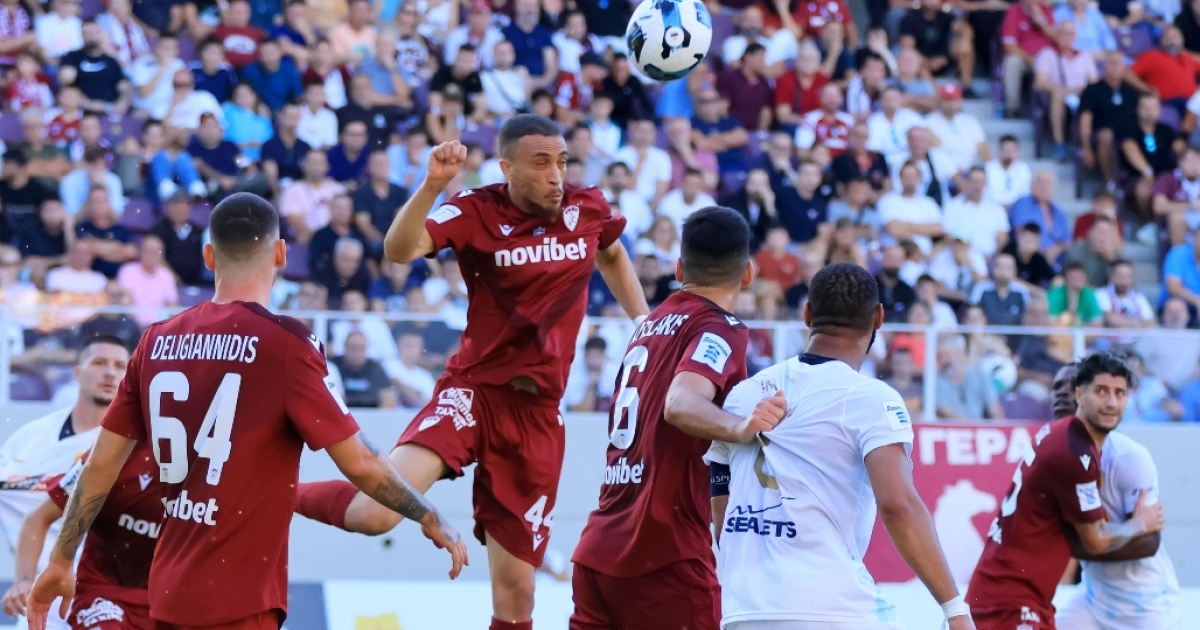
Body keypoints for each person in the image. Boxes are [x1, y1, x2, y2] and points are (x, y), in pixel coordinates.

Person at [26, 193, 468, 630]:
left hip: (167, 594)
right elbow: (362, 463)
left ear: (208, 257)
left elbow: (100, 466)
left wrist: (62, 558)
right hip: (237, 597)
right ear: (280, 254)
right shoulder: (286, 344)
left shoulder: (156, 340)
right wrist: (427, 514)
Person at [299, 115, 649, 630]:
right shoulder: (475, 210)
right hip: (474, 393)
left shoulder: (588, 207)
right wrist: (431, 186)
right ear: (507, 169)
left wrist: (643, 324)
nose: (556, 175)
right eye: (541, 163)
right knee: (377, 514)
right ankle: (275, 490)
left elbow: (612, 253)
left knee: (517, 597)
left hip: (537, 418)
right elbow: (398, 251)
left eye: (561, 161)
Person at [707, 263, 975, 630]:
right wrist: (955, 609)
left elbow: (721, 506)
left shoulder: (744, 394)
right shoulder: (870, 398)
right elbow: (898, 504)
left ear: (807, 314)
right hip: (831, 609)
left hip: (743, 609)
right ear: (878, 318)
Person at [571, 206, 786, 630]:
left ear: (680, 268)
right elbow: (681, 403)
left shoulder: (647, 326)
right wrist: (741, 428)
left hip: (599, 550)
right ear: (748, 274)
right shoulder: (721, 327)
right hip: (664, 554)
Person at [967, 351, 1167, 630]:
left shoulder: (1060, 435)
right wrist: (1140, 523)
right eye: (1101, 391)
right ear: (1080, 394)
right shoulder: (1075, 453)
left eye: (1119, 393)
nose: (1111, 402)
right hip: (1012, 602)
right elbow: (1095, 540)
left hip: (1011, 593)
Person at [0, 336, 130, 630]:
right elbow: (36, 517)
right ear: (77, 373)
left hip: (104, 597)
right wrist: (23, 580)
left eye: (120, 366)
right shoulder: (32, 436)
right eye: (99, 363)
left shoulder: (135, 445)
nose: (110, 373)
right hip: (41, 598)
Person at [1, 435, 159, 629]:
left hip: (169, 598)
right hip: (103, 593)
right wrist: (24, 581)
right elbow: (38, 518)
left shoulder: (195, 466)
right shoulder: (112, 451)